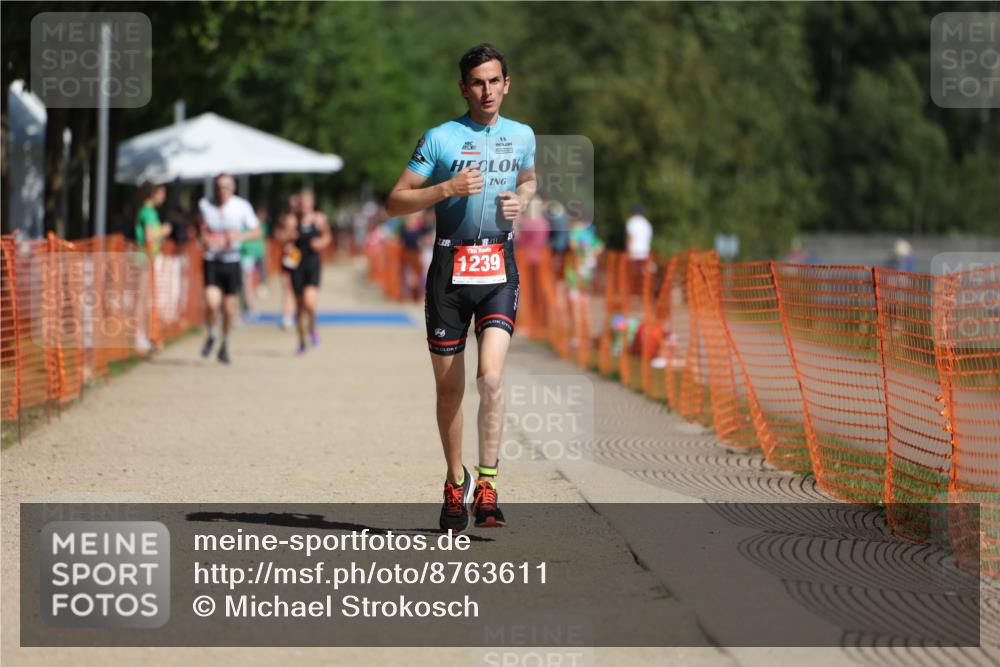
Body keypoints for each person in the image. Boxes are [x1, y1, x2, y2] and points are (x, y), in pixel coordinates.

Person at [386, 43, 537, 533]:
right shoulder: (440, 138)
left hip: (497, 268)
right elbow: (395, 201)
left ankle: (488, 486)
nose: (487, 91)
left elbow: (529, 178)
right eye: (477, 82)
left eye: (494, 81)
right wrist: (446, 189)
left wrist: (522, 200)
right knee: (449, 391)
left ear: (506, 84)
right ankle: (457, 480)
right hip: (449, 271)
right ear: (463, 88)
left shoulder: (522, 135)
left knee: (490, 379)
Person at [197, 174, 261, 364]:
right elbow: (200, 227)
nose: (222, 190)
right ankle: (212, 333)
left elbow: (257, 231)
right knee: (212, 302)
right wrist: (204, 238)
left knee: (229, 308)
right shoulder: (205, 205)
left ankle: (225, 342)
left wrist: (239, 237)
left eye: (226, 186)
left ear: (233, 188)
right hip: (212, 260)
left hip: (232, 261)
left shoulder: (241, 206)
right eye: (219, 186)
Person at [276, 188, 331, 354]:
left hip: (312, 264)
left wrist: (320, 243)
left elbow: (327, 236)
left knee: (310, 302)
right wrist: (288, 239)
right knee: (299, 307)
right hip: (296, 265)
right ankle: (301, 341)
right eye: (302, 203)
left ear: (312, 203)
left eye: (308, 203)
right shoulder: (292, 220)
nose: (305, 206)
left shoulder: (319, 219)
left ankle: (313, 326)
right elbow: (280, 237)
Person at [278, 194, 302, 330]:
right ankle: (287, 316)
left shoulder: (304, 220)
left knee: (298, 289)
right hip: (288, 258)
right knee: (287, 287)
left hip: (301, 258)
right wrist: (287, 238)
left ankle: (297, 314)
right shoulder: (285, 218)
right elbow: (279, 236)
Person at [625, 203, 653, 298]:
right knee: (643, 274)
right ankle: (643, 293)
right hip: (645, 253)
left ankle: (634, 293)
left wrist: (628, 251)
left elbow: (631, 237)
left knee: (633, 274)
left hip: (634, 252)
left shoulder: (632, 222)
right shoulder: (647, 224)